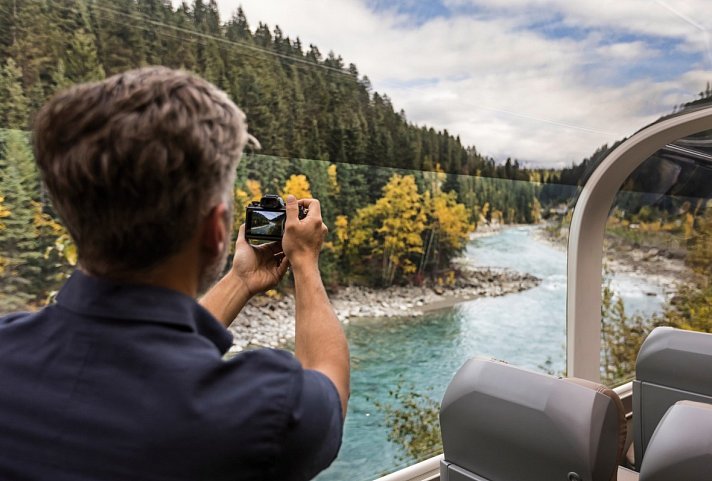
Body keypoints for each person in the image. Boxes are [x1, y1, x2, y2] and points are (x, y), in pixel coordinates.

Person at [0, 67, 350, 481]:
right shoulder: (257, 411)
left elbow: (138, 357)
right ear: (216, 229)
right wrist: (305, 261)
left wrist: (241, 280)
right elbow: (327, 380)